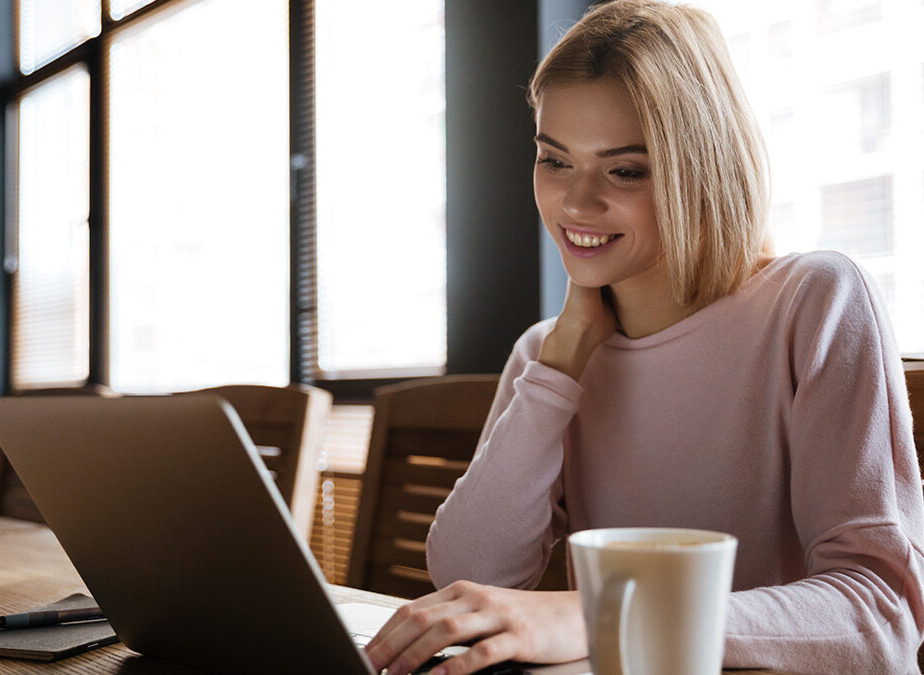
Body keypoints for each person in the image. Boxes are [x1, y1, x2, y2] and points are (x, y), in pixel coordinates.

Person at [363, 1, 924, 674]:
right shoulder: (548, 353)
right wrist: (563, 359)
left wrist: (603, 614)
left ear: (702, 166)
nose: (576, 203)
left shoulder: (816, 301)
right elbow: (471, 573)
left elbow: (879, 616)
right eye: (555, 160)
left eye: (624, 169)